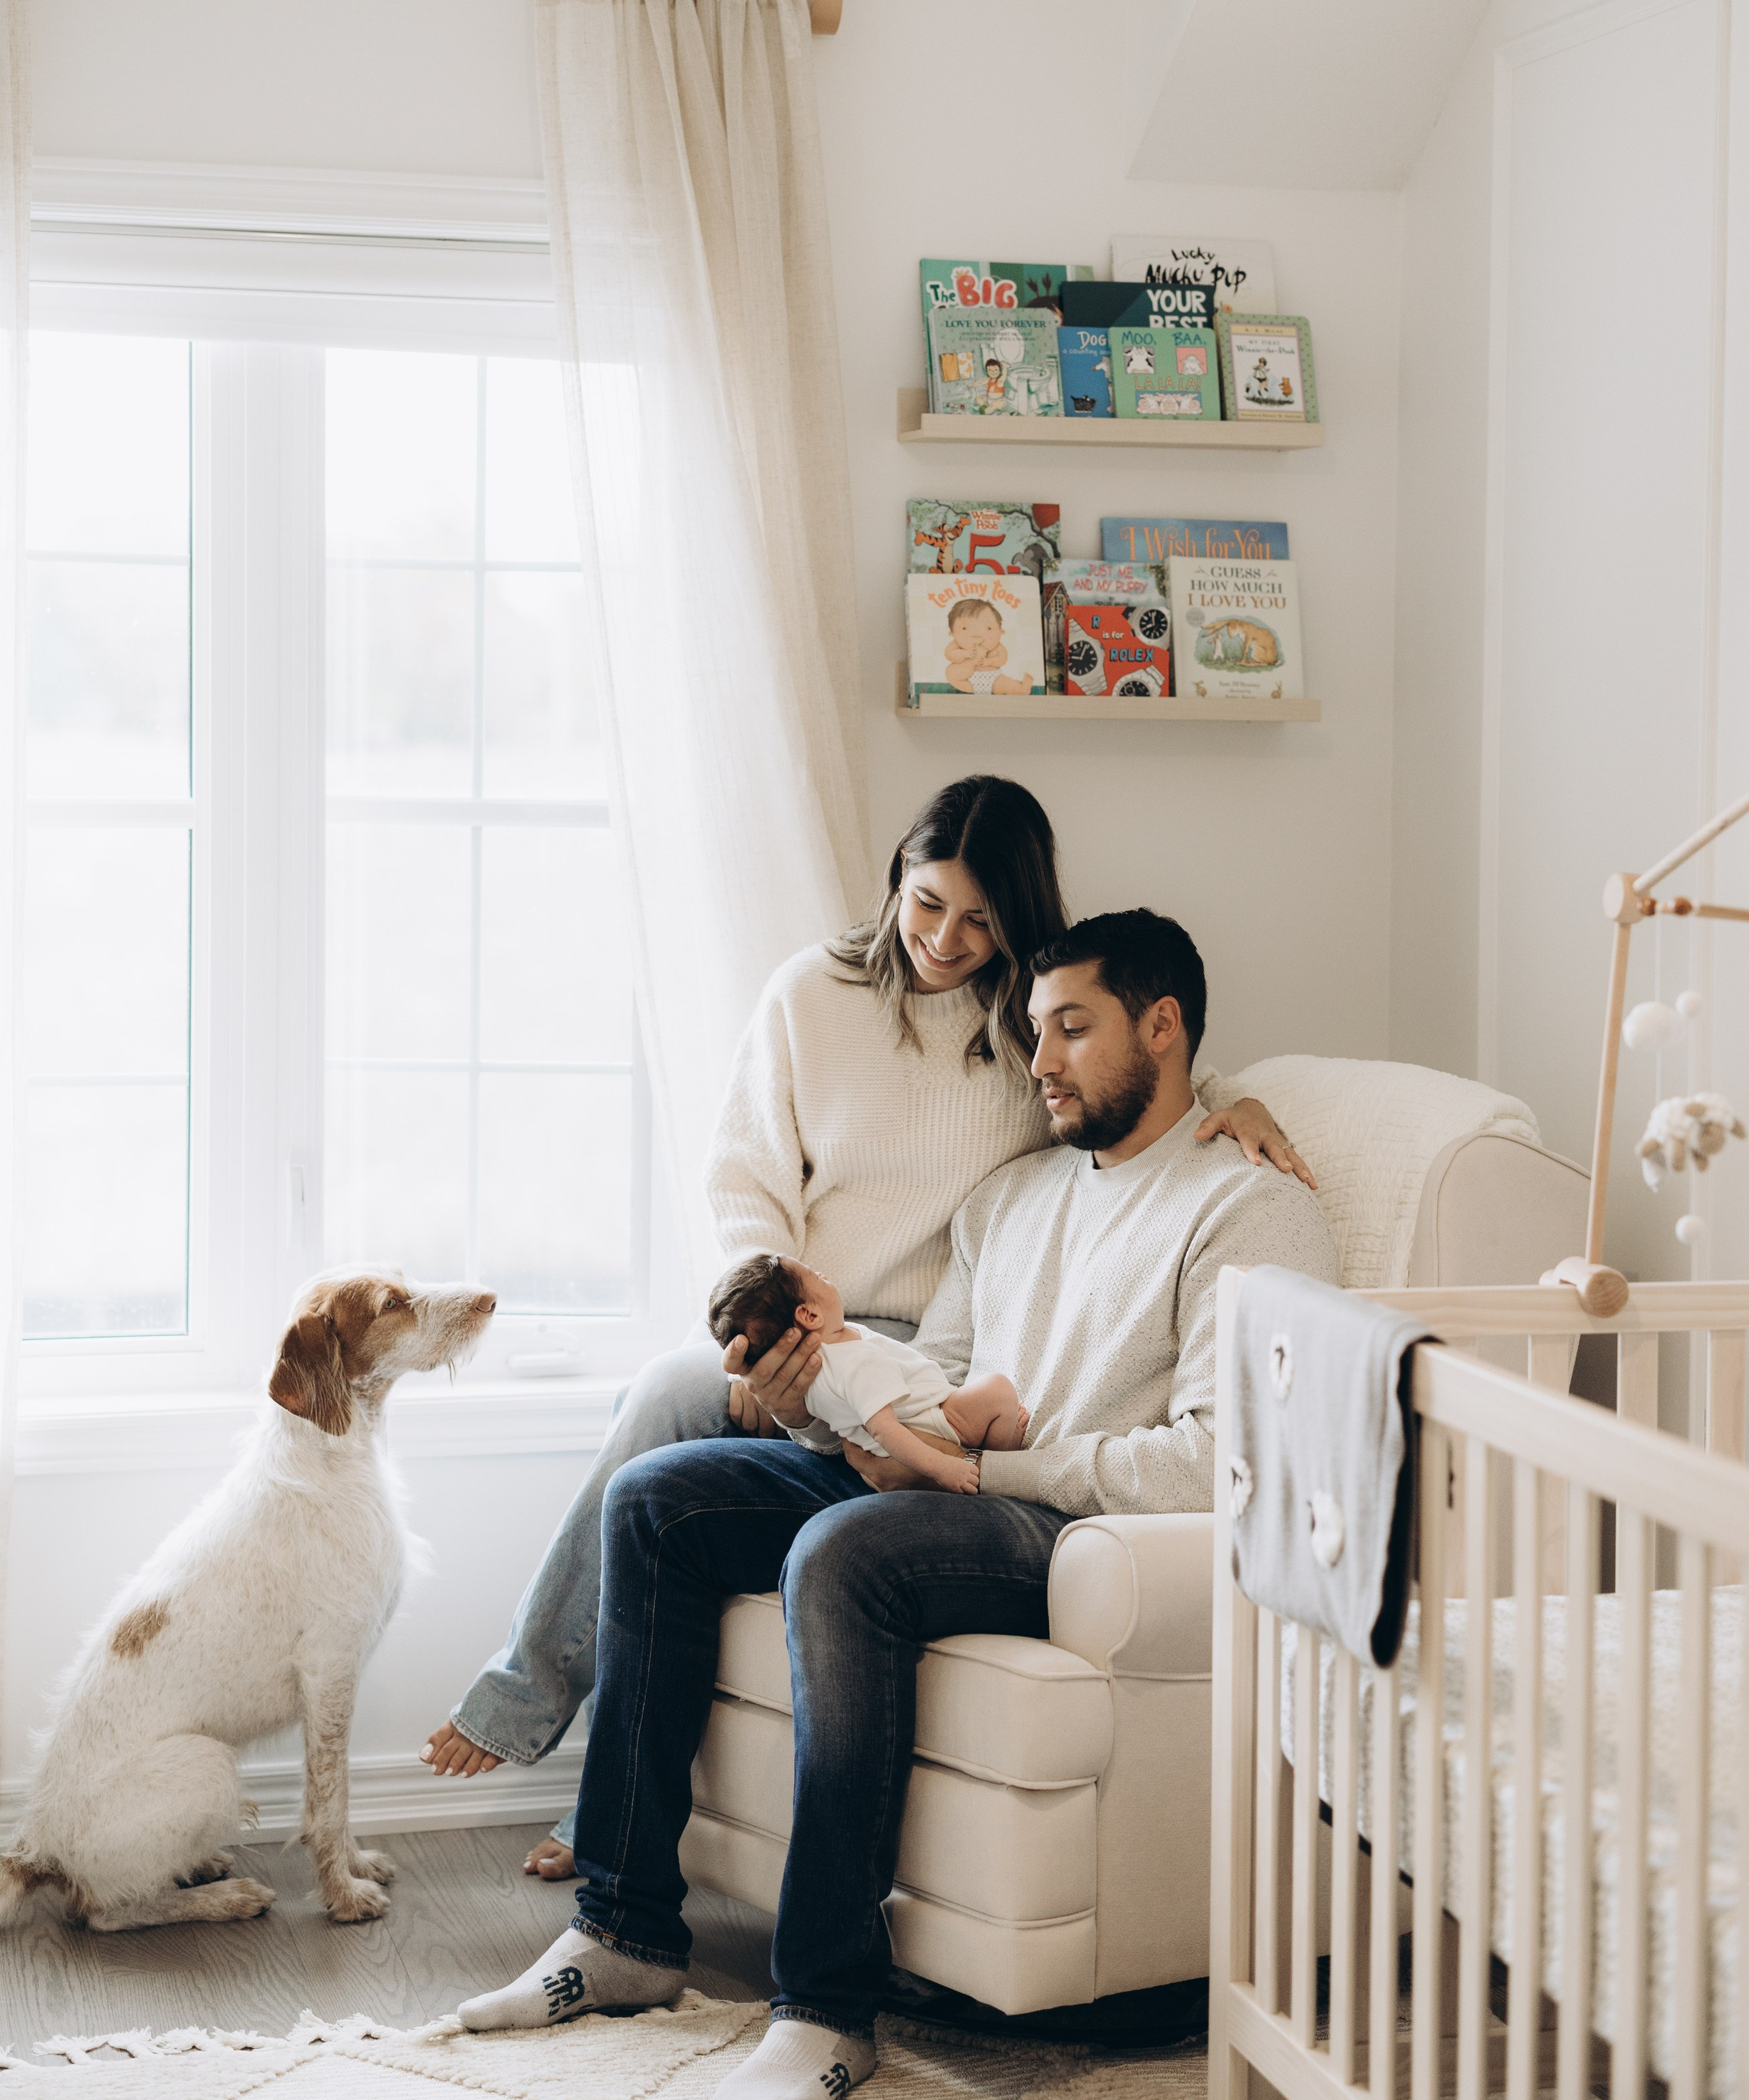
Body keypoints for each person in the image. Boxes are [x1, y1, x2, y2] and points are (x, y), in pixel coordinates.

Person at [450, 907, 1341, 2100]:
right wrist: (830, 1394)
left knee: (844, 1553)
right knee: (662, 1498)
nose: (1040, 1063)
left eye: (1071, 1030)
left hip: (1067, 1531)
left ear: (1164, 1027)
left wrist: (981, 1483)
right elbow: (940, 1386)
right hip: (948, 1485)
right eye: (1035, 1031)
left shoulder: (1245, 1209)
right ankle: (624, 1930)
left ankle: (824, 2009)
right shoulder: (1014, 1199)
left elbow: (1218, 1461)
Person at [419, 778, 1311, 1875]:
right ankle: (542, 1719)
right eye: (928, 903)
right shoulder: (812, 995)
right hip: (817, 1312)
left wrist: (1241, 1098)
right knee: (661, 1411)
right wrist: (772, 1330)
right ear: (898, 877)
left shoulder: (1021, 1018)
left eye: (981, 920)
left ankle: (597, 1784)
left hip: (936, 1344)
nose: (946, 939)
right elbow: (746, 1175)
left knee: (732, 1487)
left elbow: (1131, 1076)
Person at [708, 1251, 1029, 1489]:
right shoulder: (854, 1362)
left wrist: (741, 1370)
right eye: (815, 1276)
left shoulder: (820, 1359)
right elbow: (885, 1431)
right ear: (808, 1315)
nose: (822, 1273)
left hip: (901, 1434)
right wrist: (944, 1467)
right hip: (935, 1421)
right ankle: (1003, 1453)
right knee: (998, 1390)